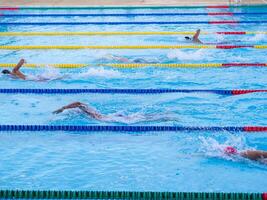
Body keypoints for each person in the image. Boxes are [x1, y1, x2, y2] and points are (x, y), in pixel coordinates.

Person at [53, 102, 177, 123]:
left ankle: (165, 117)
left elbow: (80, 104)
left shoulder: (93, 115)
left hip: (112, 119)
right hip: (114, 117)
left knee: (144, 119)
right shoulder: (94, 114)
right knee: (143, 117)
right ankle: (165, 116)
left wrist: (63, 108)